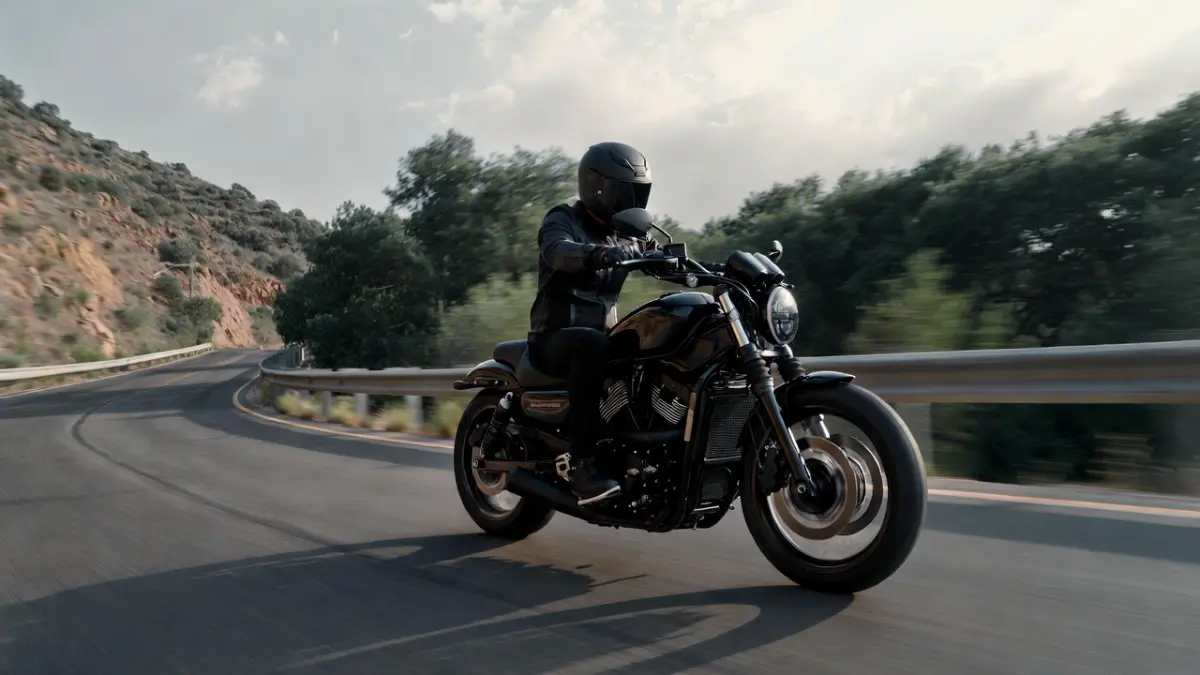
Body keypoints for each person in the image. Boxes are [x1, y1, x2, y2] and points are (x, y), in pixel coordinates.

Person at [527, 141, 660, 503]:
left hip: (598, 338)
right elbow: (557, 250)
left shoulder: (627, 232)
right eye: (626, 192)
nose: (633, 201)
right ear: (597, 186)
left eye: (639, 193)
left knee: (653, 339)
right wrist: (598, 253)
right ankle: (583, 464)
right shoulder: (562, 220)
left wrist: (696, 267)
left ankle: (641, 443)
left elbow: (653, 253)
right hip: (553, 339)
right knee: (593, 343)